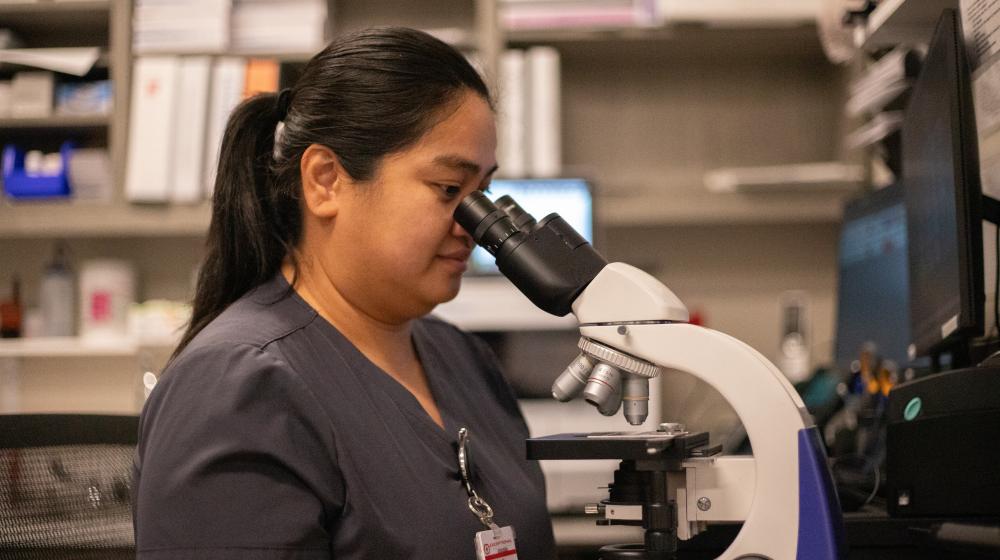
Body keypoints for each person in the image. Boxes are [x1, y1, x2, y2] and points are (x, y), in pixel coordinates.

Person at [132, 27, 557, 559]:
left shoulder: (463, 359)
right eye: (450, 189)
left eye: (484, 193)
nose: (475, 224)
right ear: (326, 180)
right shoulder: (238, 389)